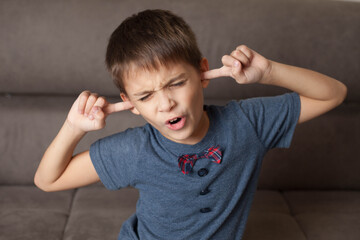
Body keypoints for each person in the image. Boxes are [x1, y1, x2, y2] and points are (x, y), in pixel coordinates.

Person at [34, 9, 347, 240]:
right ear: (131, 104)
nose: (165, 103)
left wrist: (269, 73)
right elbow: (47, 180)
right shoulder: (134, 149)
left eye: (176, 83)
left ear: (203, 73)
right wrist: (74, 127)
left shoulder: (248, 124)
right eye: (145, 96)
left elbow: (333, 95)